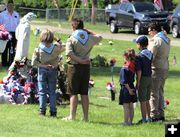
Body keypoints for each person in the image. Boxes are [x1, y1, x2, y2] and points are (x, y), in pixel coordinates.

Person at [63, 18, 102, 122]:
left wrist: (79, 60)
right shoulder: (89, 37)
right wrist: (88, 31)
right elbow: (100, 37)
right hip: (86, 67)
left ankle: (72, 116)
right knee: (84, 93)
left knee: (73, 92)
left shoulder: (71, 38)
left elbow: (69, 53)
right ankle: (85, 118)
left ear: (73, 27)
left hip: (74, 67)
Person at [31, 29, 64, 117]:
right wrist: (58, 40)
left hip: (42, 70)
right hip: (53, 70)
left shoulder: (38, 49)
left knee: (42, 92)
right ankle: (53, 111)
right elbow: (64, 46)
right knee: (52, 92)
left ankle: (42, 111)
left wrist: (44, 66)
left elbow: (33, 63)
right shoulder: (56, 48)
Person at [148, 23, 170, 121]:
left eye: (149, 31)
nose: (149, 33)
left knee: (153, 93)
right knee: (160, 92)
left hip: (156, 68)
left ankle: (154, 115)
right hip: (165, 67)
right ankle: (161, 114)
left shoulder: (156, 40)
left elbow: (150, 56)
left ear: (154, 30)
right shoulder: (166, 39)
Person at [134, 35, 153, 123]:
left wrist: (138, 82)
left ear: (140, 45)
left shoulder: (139, 56)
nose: (136, 45)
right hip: (150, 78)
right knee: (147, 100)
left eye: (137, 43)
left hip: (143, 79)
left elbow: (139, 71)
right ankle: (149, 117)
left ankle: (144, 119)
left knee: (142, 100)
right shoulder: (150, 53)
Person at [119, 48, 137, 126]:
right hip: (132, 86)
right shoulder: (133, 65)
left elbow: (124, 81)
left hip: (126, 89)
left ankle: (126, 122)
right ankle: (130, 122)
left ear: (126, 56)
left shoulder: (125, 67)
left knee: (126, 107)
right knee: (131, 106)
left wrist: (128, 89)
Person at [0, 0, 20, 66]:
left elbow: (19, 25)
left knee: (13, 49)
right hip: (4, 33)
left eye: (12, 5)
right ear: (7, 6)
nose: (10, 7)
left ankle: (11, 63)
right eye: (9, 5)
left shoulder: (16, 14)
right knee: (4, 49)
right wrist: (3, 31)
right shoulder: (2, 14)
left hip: (14, 34)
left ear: (13, 6)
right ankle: (4, 63)